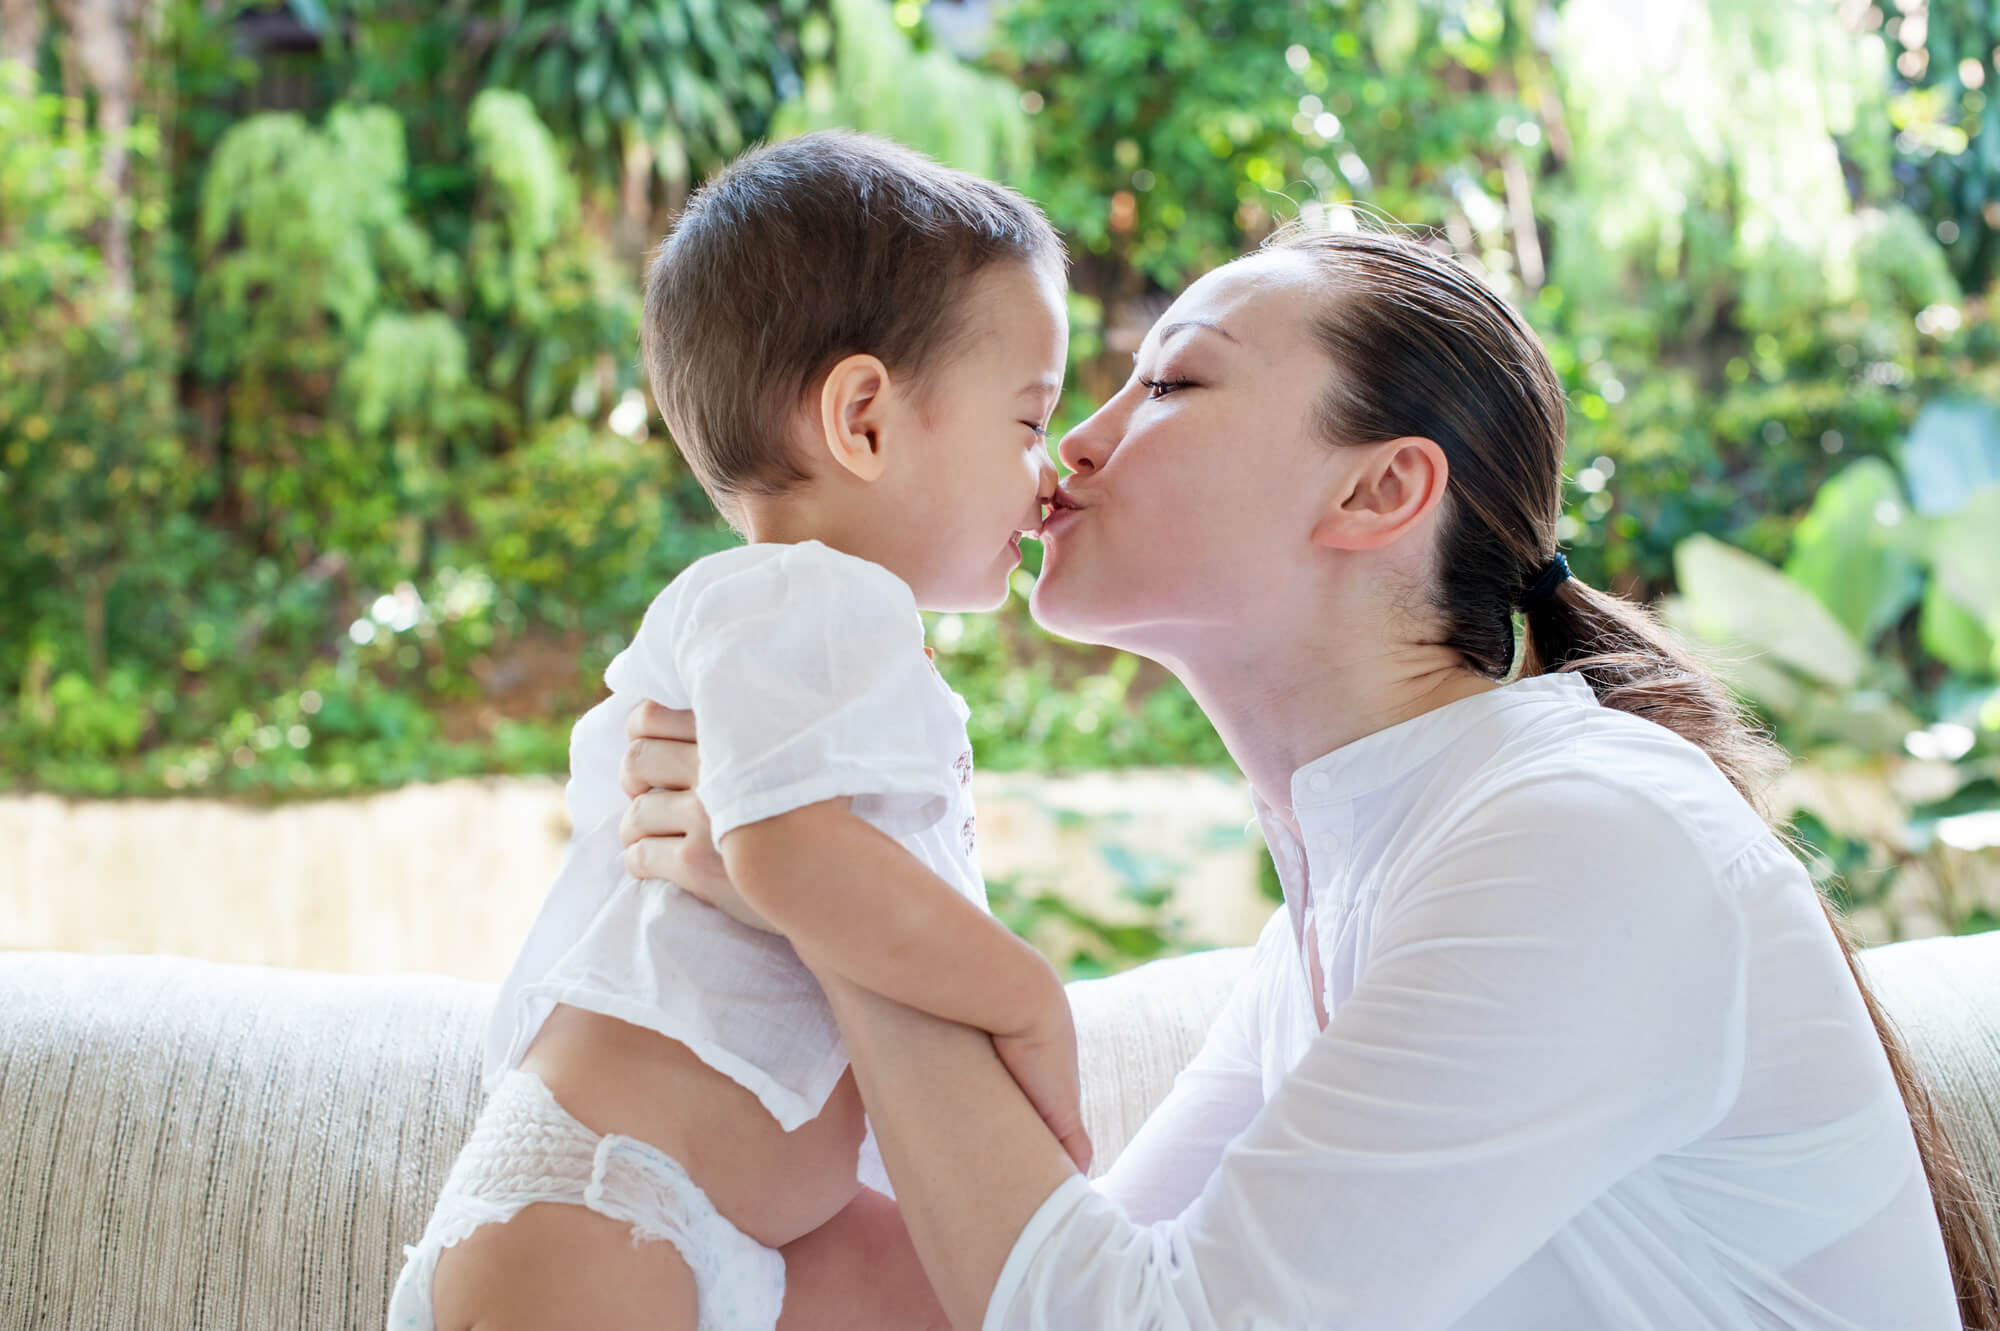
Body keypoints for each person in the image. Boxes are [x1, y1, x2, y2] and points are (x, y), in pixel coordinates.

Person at [618, 226, 2000, 1328]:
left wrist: (817, 866)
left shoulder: (1585, 840)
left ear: (1379, 492)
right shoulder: (1352, 900)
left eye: (1169, 381)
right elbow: (1045, 1276)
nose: (1072, 443)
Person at [388, 131, 1088, 1331]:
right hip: (604, 1209)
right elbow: (777, 849)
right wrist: (1026, 998)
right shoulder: (806, 597)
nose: (1048, 469)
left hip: (735, 1223)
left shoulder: (822, 628)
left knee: (1021, 1297)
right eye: (1027, 420)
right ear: (862, 417)